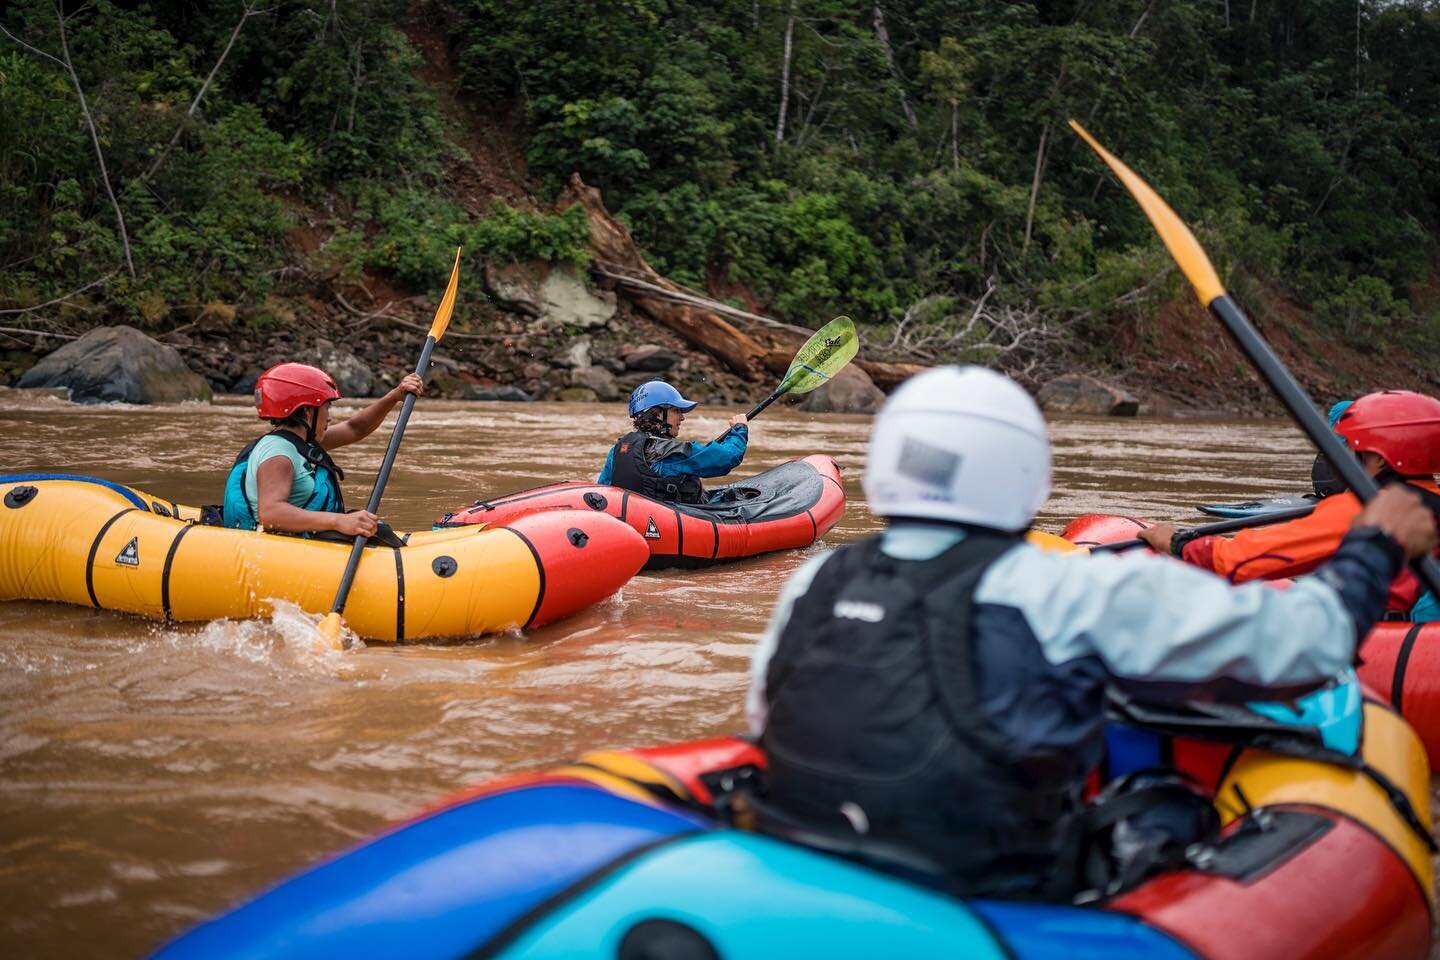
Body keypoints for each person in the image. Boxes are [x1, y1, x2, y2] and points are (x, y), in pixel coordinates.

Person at [745, 366, 1436, 900]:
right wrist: (1375, 549)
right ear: (1027, 472)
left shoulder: (818, 581)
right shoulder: (1070, 588)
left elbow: (765, 720)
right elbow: (1310, 647)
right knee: (1163, 807)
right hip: (989, 889)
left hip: (804, 863)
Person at [1139, 390, 1440, 620]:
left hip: (1385, 645)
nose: (1342, 455)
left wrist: (1176, 542)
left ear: (1379, 458)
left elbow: (1233, 562)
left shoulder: (1361, 509)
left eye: (1352, 446)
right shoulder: (1431, 500)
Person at [221, 362, 423, 537]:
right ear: (308, 411)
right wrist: (338, 521)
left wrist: (395, 395)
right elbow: (271, 513)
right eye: (327, 407)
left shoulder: (300, 442)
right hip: (275, 551)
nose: (330, 416)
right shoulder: (278, 453)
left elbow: (355, 429)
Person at [598, 380, 749, 504]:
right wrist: (739, 429)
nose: (682, 418)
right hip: (670, 526)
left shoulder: (619, 448)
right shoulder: (673, 452)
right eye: (676, 410)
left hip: (634, 521)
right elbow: (727, 457)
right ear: (657, 413)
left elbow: (602, 489)